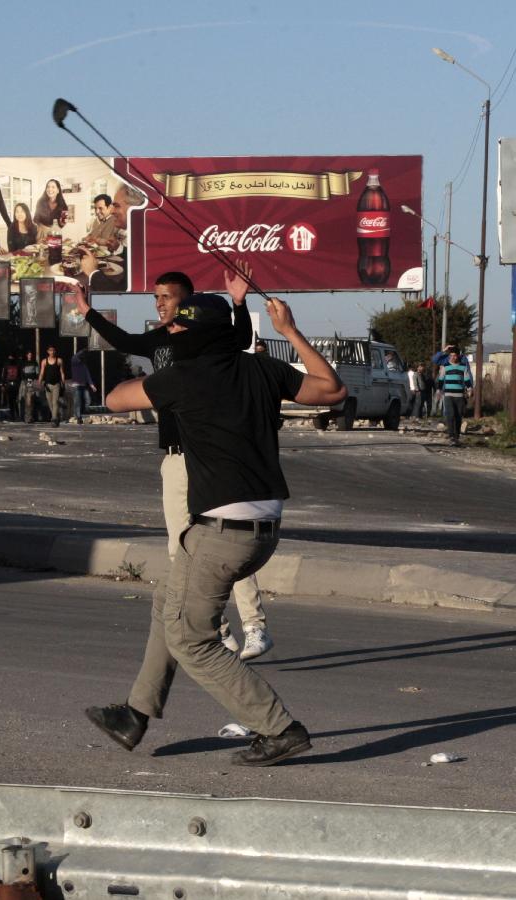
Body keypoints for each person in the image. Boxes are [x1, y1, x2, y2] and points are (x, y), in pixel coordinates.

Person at [85, 292, 347, 766]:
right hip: (261, 526)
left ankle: (278, 728)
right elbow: (331, 389)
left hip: (222, 531)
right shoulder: (261, 369)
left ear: (202, 333)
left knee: (192, 638)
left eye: (181, 329)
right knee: (169, 598)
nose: (173, 334)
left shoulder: (182, 378)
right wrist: (288, 330)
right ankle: (135, 714)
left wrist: (157, 372)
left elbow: (115, 399)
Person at [75, 262, 274, 660]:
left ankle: (254, 626)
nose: (159, 304)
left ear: (188, 302)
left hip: (212, 456)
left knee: (225, 543)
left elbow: (238, 340)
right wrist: (88, 312)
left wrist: (238, 303)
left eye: (166, 297)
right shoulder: (158, 342)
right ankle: (217, 630)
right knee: (179, 547)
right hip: (176, 456)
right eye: (156, 297)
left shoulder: (207, 341)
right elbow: (124, 339)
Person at [79, 183, 145, 293]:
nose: (113, 211)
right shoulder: (140, 237)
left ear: (135, 208)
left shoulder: (145, 242)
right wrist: (118, 247)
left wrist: (93, 272)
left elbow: (120, 295)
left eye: (117, 206)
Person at [437, 348, 473, 446]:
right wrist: (439, 391)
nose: (453, 357)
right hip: (448, 395)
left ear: (458, 356)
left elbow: (467, 379)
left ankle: (456, 437)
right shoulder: (445, 366)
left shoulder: (463, 367)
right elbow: (441, 379)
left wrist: (469, 389)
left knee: (458, 416)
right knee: (450, 415)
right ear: (449, 356)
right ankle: (451, 436)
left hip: (460, 395)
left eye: (455, 355)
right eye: (451, 355)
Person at [39, 346, 66, 427]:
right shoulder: (44, 361)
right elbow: (41, 373)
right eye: (50, 350)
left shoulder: (59, 360)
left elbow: (62, 372)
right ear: (48, 351)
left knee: (55, 402)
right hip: (47, 384)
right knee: (50, 403)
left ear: (55, 351)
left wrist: (63, 383)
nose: (52, 352)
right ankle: (56, 417)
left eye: (53, 350)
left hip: (56, 384)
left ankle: (53, 419)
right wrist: (39, 382)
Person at [70, 349, 97, 423]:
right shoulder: (74, 363)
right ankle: (78, 417)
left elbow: (88, 376)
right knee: (77, 401)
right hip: (76, 385)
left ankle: (79, 413)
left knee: (88, 400)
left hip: (83, 385)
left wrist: (92, 386)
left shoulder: (84, 366)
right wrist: (84, 350)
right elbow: (75, 357)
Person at [19, 351, 39, 423]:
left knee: (30, 399)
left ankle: (30, 417)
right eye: (29, 355)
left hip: (31, 381)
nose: (30, 356)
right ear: (27, 355)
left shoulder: (34, 363)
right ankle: (27, 417)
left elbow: (37, 372)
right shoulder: (24, 363)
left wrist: (36, 381)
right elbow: (22, 372)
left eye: (31, 355)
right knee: (26, 399)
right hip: (25, 381)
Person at [0, 354, 21, 420]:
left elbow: (20, 375)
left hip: (16, 384)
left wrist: (20, 383)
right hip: (8, 384)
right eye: (9, 357)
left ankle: (18, 414)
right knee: (10, 400)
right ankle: (12, 416)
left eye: (12, 357)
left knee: (16, 400)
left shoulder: (17, 365)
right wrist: (2, 384)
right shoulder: (6, 365)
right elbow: (3, 375)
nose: (11, 358)